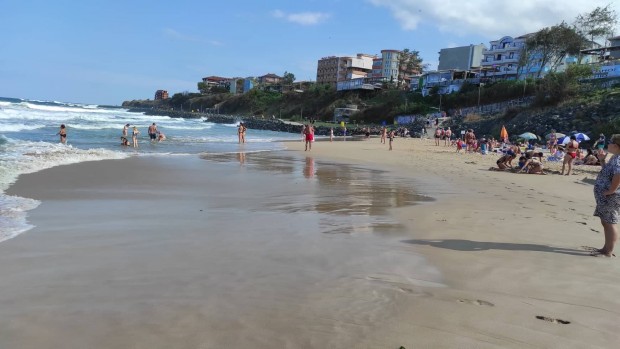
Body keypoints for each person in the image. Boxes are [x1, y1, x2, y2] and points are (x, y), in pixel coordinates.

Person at [591, 134, 620, 257]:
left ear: (615, 145)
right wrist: (602, 160)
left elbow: (619, 175)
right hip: (605, 196)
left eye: (609, 142)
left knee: (610, 222)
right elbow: (607, 173)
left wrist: (612, 190)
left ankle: (608, 251)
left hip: (611, 196)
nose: (607, 144)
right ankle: (606, 248)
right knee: (606, 221)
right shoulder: (615, 157)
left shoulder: (618, 159)